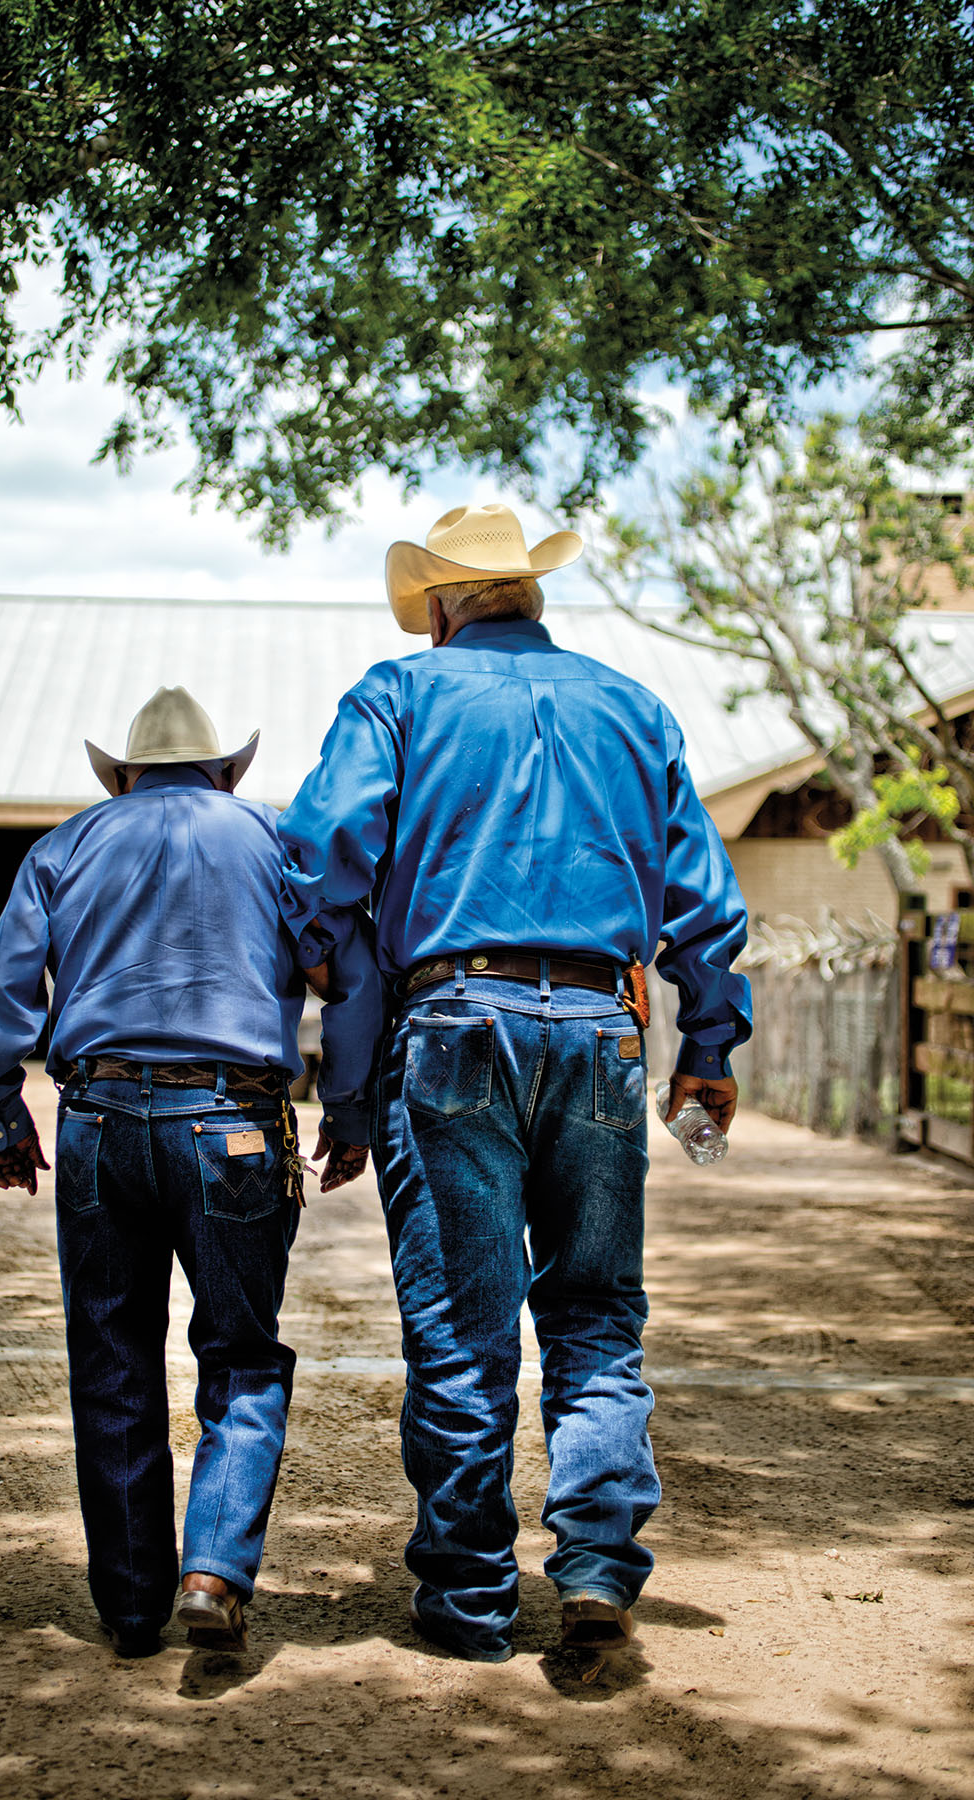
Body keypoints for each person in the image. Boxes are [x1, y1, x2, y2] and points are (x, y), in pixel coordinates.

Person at [277, 502, 752, 1665]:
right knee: (595, 1312)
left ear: (442, 603)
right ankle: (594, 1566)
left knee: (461, 1333)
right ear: (529, 594)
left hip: (453, 1020)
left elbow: (318, 857)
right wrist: (709, 1048)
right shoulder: (636, 711)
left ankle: (471, 1599)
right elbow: (705, 903)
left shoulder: (398, 696)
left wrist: (335, 1036)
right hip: (604, 1022)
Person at [0, 687, 376, 1658]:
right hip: (230, 1123)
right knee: (241, 1355)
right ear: (227, 771)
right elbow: (344, 969)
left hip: (98, 1124)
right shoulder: (272, 842)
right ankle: (214, 1572)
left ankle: (134, 1611)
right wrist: (351, 1110)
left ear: (126, 773)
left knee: (111, 1362)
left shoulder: (66, 847)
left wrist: (1, 1110)